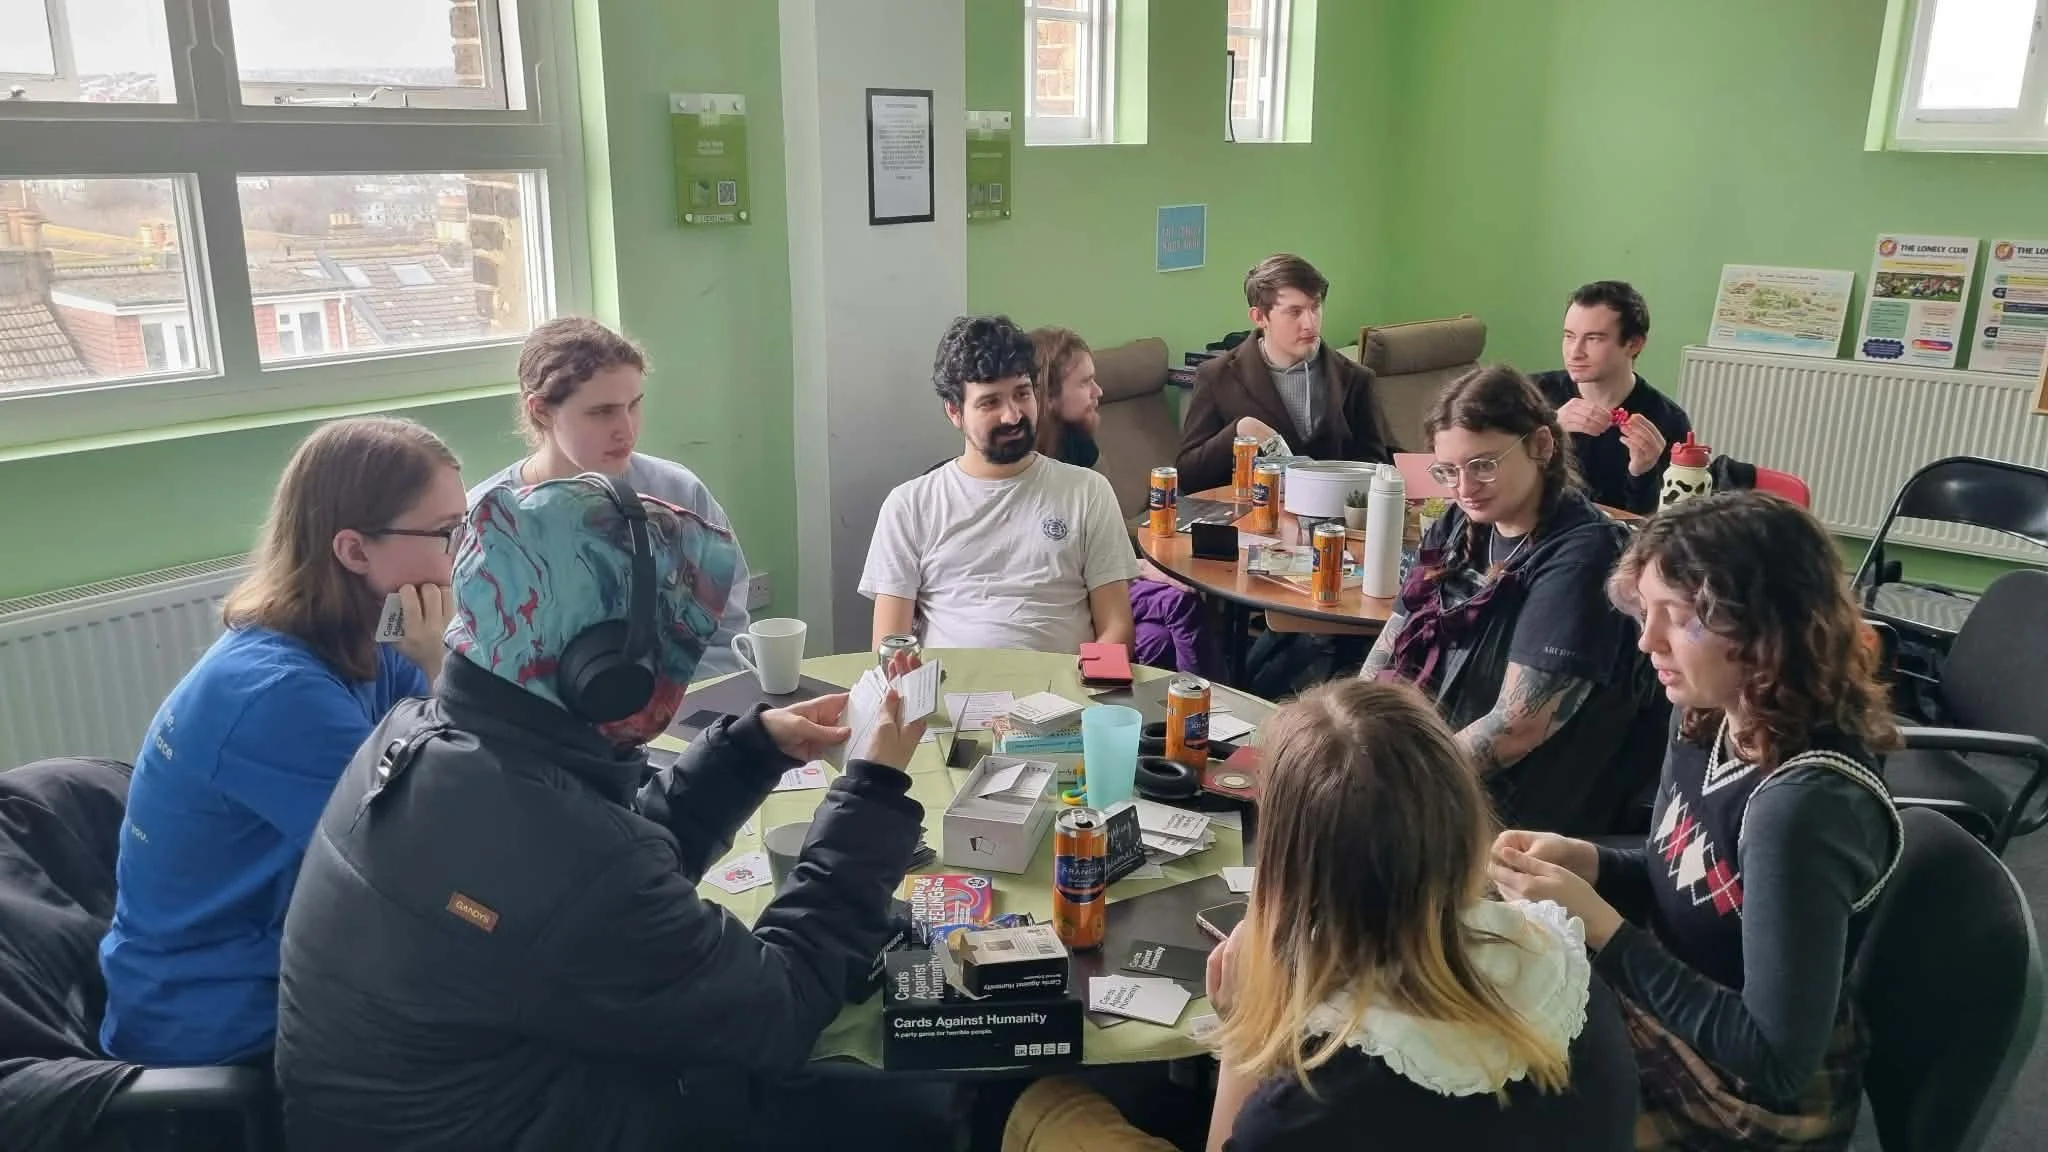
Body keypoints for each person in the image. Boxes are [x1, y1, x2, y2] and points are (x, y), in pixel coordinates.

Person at [275, 474, 934, 1151]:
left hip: (450, 1111)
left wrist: (746, 753)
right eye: (672, 646)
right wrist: (874, 788)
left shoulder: (423, 735)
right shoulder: (562, 856)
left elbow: (596, 874)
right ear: (606, 671)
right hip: (540, 1121)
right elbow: (779, 1009)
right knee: (880, 1110)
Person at [1005, 679, 1637, 1151]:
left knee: (1047, 1103)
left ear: (1288, 868)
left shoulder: (1317, 1104)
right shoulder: (1569, 976)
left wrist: (1244, 1042)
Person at [1492, 491, 1903, 1150]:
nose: (1647, 640)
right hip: (1679, 1004)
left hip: (1748, 1097)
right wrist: (1588, 861)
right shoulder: (1709, 713)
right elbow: (1699, 878)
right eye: (1646, 611)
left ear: (1764, 630)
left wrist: (1601, 925)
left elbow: (1775, 1059)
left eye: (1678, 618)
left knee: (1478, 1099)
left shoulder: (1801, 808)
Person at [99, 417, 463, 1066]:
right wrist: (443, 671)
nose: (462, 554)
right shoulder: (275, 694)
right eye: (445, 534)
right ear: (354, 551)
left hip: (295, 959)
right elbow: (427, 862)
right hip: (221, 1019)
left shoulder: (371, 642)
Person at [1359, 365, 1654, 835]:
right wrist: (1352, 734)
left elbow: (1518, 727)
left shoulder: (1583, 555)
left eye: (1483, 465)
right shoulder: (1460, 522)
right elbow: (1393, 639)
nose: (1463, 487)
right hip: (1438, 763)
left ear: (1541, 445)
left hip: (1516, 812)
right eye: (1448, 471)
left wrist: (1398, 783)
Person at [469, 316, 752, 680]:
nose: (627, 429)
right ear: (540, 410)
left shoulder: (680, 494)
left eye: (634, 404)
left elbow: (726, 635)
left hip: (678, 717)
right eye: (602, 412)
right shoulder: (488, 518)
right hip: (540, 729)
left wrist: (658, 709)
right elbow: (479, 660)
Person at [863, 315, 1136, 652]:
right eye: (990, 402)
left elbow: (1117, 628)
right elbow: (889, 647)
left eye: (1022, 393)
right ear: (954, 412)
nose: (1013, 415)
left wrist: (1086, 689)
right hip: (949, 696)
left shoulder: (1088, 492)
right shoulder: (909, 506)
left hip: (1065, 695)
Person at [1032, 325, 1210, 675]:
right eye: (1084, 383)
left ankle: (1178, 708)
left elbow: (1106, 541)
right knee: (1180, 602)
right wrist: (1144, 570)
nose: (1098, 392)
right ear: (1048, 396)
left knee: (1159, 637)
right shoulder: (1031, 469)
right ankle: (1210, 714)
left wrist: (1145, 568)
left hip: (1110, 577)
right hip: (1075, 592)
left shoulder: (1084, 451)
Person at [1176, 253, 1392, 492]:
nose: (1310, 323)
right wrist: (1239, 431)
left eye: (1315, 307)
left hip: (1334, 521)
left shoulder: (1356, 379)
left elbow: (1376, 467)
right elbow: (1188, 476)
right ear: (1259, 317)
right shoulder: (1216, 376)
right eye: (1294, 312)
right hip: (1251, 521)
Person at [1530, 281, 1692, 515]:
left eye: (1594, 338)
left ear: (1634, 344)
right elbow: (1496, 476)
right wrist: (1547, 430)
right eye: (1569, 336)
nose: (1575, 352)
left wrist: (1643, 472)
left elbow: (1651, 524)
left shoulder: (1667, 419)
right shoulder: (1531, 394)